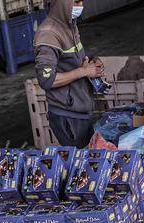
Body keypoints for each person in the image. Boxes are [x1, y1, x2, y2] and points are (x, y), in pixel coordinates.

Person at [34, 0, 104, 148]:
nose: (80, 6)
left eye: (81, 1)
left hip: (80, 110)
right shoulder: (48, 33)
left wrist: (90, 63)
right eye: (76, 2)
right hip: (67, 116)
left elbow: (70, 61)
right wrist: (83, 71)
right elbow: (47, 80)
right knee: (79, 161)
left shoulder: (70, 25)